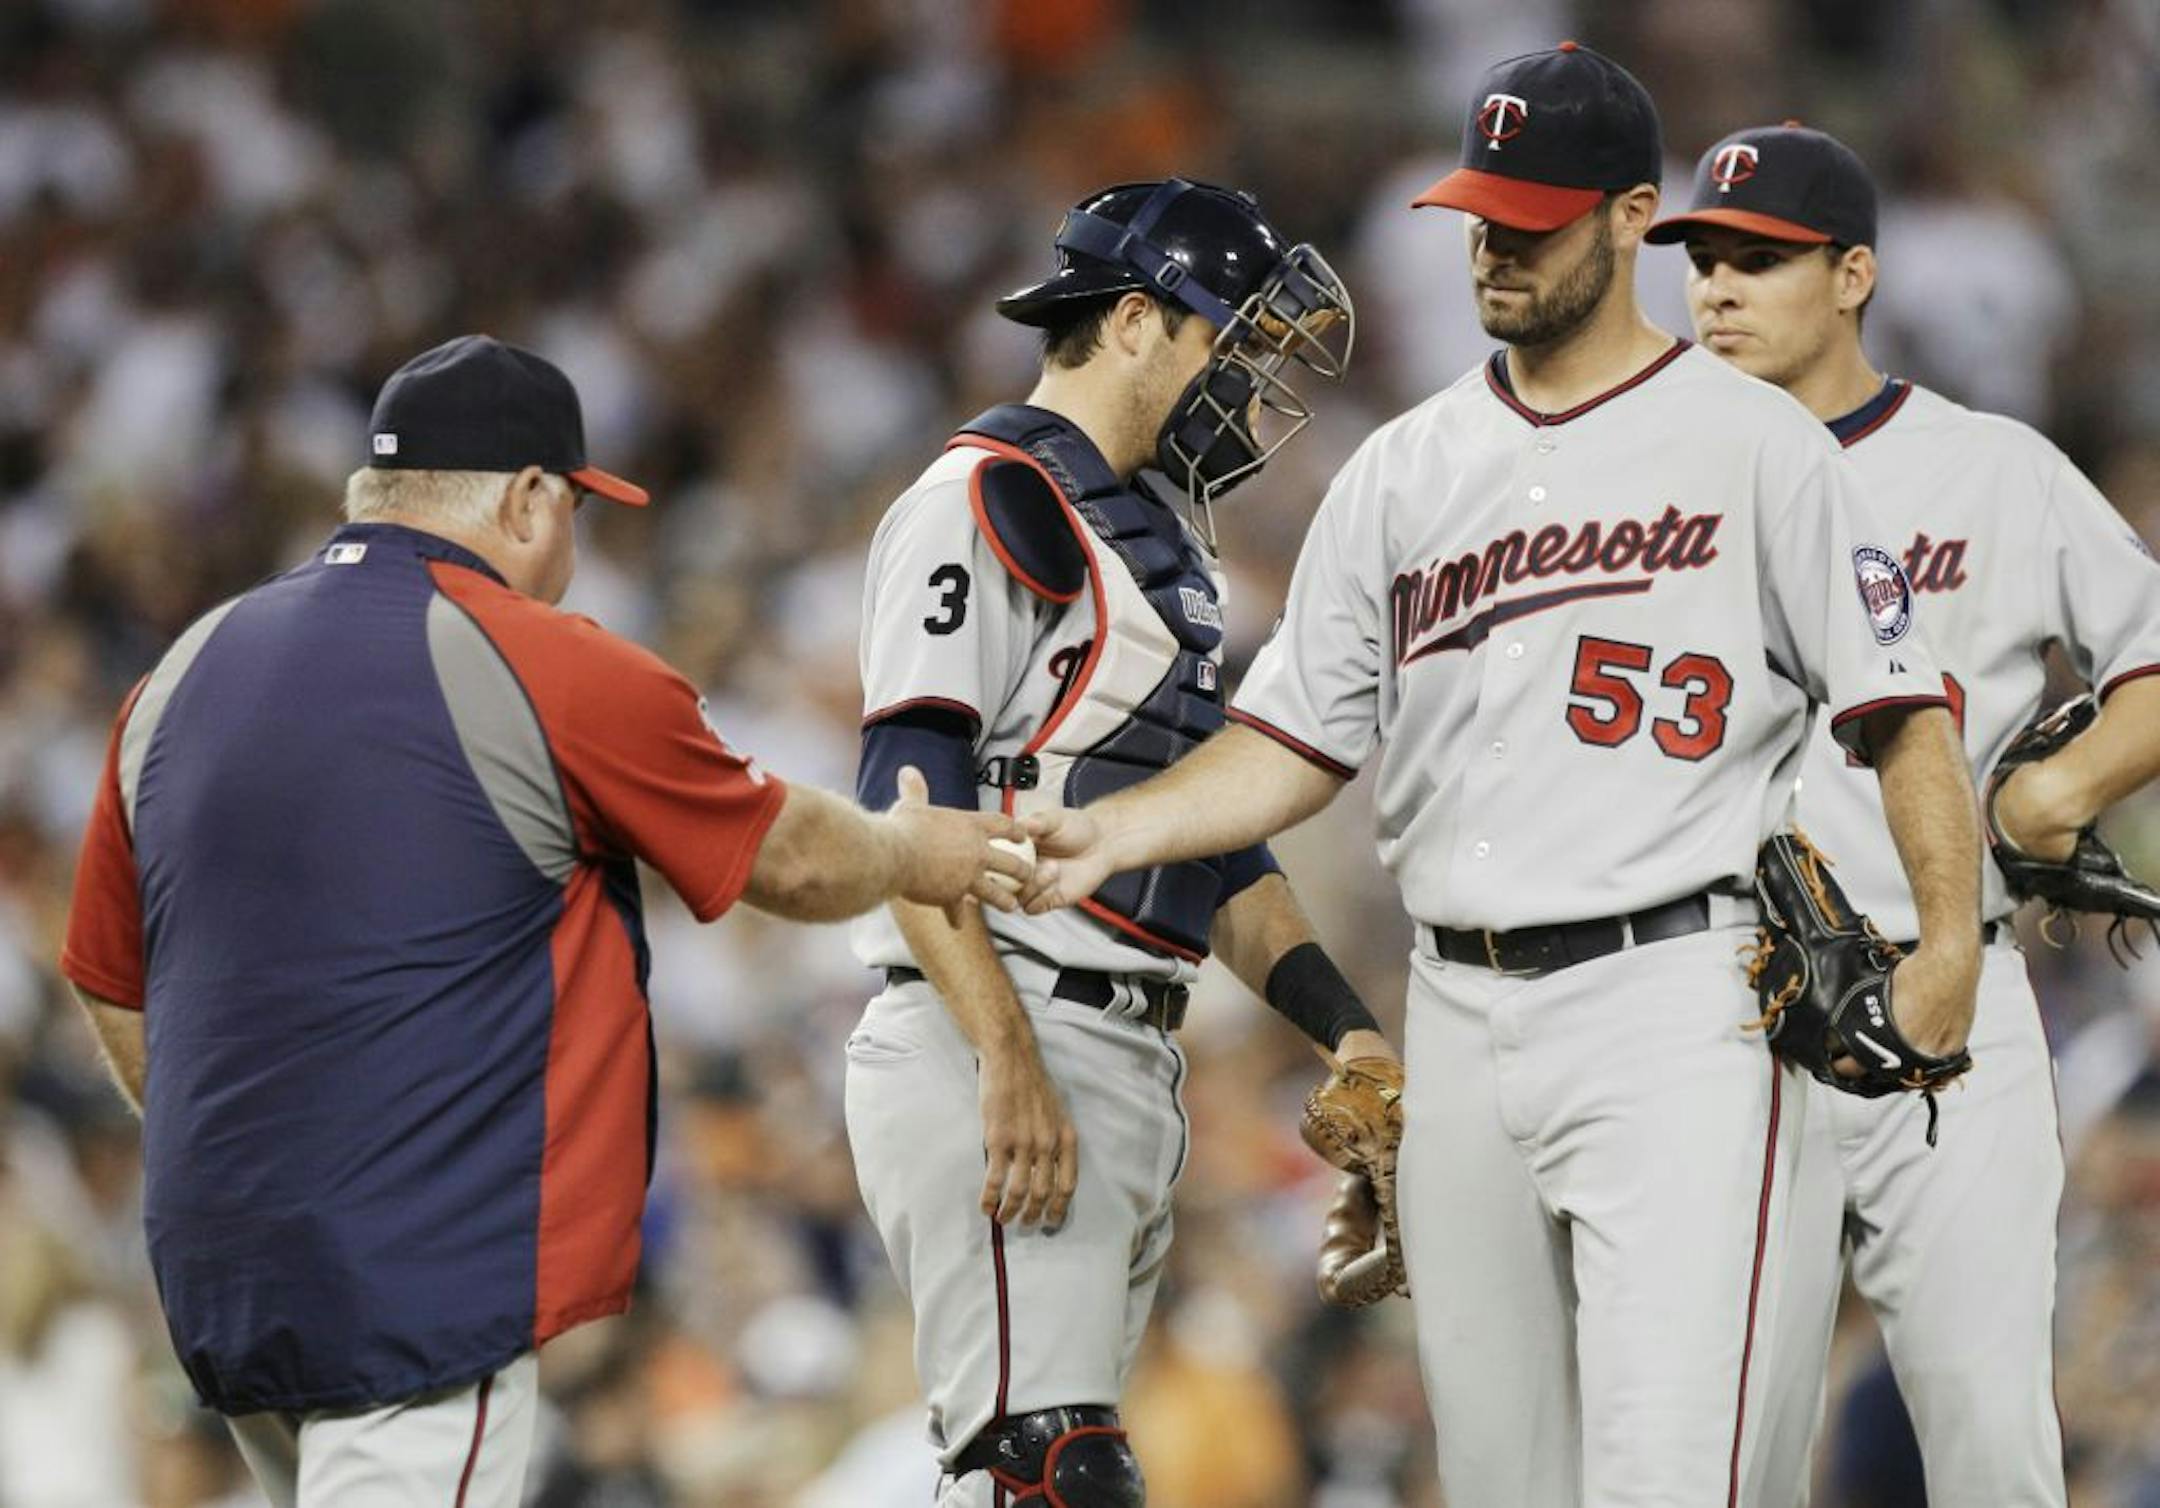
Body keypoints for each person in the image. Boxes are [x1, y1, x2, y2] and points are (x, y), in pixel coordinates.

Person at [1017, 46, 1988, 1507]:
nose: (1495, 245)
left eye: (1532, 218)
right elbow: (1287, 748)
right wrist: (1107, 832)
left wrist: (1954, 938)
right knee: (1499, 1484)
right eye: (1480, 214)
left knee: (1687, 1477)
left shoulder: (1760, 447)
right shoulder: (1407, 468)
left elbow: (1907, 710)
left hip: (1683, 1000)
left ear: (1628, 219)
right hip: (1459, 1019)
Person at [55, 334, 1028, 1508]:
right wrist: (910, 846)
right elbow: (788, 857)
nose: (575, 541)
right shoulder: (541, 657)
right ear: (524, 497)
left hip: (226, 1273)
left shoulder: (180, 674)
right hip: (413, 1273)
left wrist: (244, 1152)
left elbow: (109, 975)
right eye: (575, 507)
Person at [842, 178, 1389, 1507]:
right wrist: (1008, 1057)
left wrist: (1347, 1028)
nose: (1250, 386)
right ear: (1139, 320)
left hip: (1114, 1046)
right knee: (1053, 1470)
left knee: (1022, 1469)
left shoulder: (1149, 535)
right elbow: (906, 813)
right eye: (1233, 341)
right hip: (1005, 1021)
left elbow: (1212, 847)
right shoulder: (992, 499)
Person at [1651, 122, 2160, 1506]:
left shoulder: (1991, 467)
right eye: (1702, 259)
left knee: (1992, 1440)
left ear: (1856, 272)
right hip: (1715, 1006)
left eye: (1761, 259)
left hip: (1944, 984)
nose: (1718, 288)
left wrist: (2058, 787)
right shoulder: (1644, 483)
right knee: (1718, 1449)